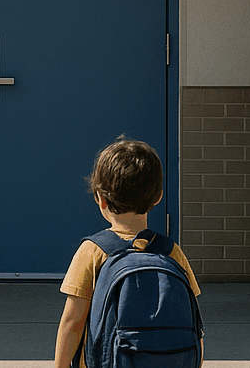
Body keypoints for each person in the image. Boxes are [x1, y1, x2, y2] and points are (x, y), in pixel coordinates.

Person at [53, 138, 201, 368]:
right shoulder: (171, 251)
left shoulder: (93, 251)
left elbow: (73, 322)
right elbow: (191, 323)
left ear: (100, 199)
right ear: (158, 197)